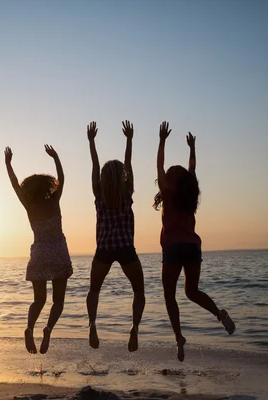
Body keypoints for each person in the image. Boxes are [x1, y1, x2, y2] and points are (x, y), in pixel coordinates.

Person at [154, 121, 236, 362]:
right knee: (192, 291)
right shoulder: (190, 196)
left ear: (170, 180)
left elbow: (158, 165)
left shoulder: (167, 193)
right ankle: (219, 313)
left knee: (170, 295)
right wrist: (191, 148)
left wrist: (162, 140)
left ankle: (179, 337)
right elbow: (192, 170)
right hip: (192, 246)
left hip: (172, 247)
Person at [4, 145, 73, 354]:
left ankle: (29, 328)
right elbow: (62, 178)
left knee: (39, 300)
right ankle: (48, 330)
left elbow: (15, 184)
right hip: (59, 253)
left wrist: (8, 163)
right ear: (47, 187)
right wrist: (56, 157)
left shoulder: (29, 206)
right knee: (58, 301)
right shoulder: (54, 201)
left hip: (40, 254)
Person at [86, 120, 145, 352]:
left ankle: (92, 324)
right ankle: (135, 328)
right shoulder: (126, 192)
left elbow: (94, 163)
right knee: (138, 291)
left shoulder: (98, 192)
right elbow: (128, 164)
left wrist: (91, 141)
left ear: (103, 178)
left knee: (94, 290)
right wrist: (129, 139)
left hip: (103, 250)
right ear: (122, 177)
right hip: (126, 248)